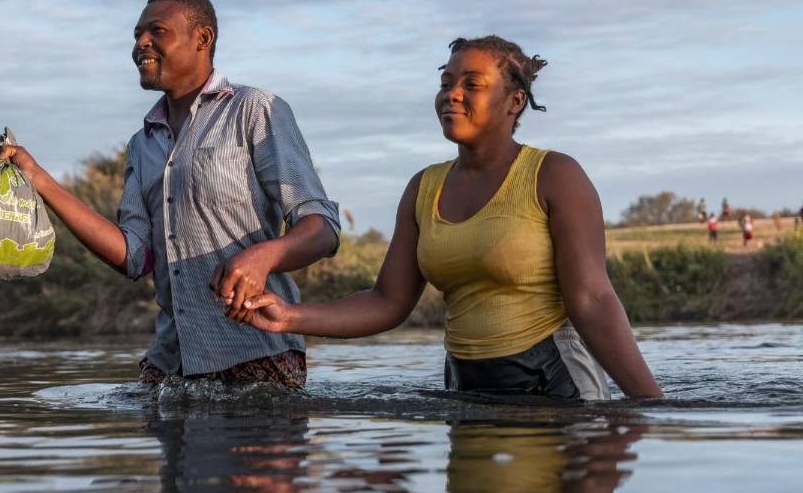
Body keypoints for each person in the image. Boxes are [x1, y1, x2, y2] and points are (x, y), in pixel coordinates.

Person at [239, 35, 663, 400]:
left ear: (515, 101)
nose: (452, 94)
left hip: (556, 382)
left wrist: (650, 405)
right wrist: (291, 316)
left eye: (472, 84)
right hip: (464, 384)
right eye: (445, 83)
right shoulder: (424, 188)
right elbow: (387, 301)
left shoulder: (554, 175)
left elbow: (592, 299)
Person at [0, 0, 340, 387]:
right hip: (170, 363)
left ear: (202, 39)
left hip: (257, 352)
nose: (141, 43)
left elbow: (322, 229)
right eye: (137, 34)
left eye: (156, 31)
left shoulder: (255, 110)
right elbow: (134, 257)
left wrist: (262, 258)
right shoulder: (142, 145)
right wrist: (38, 179)